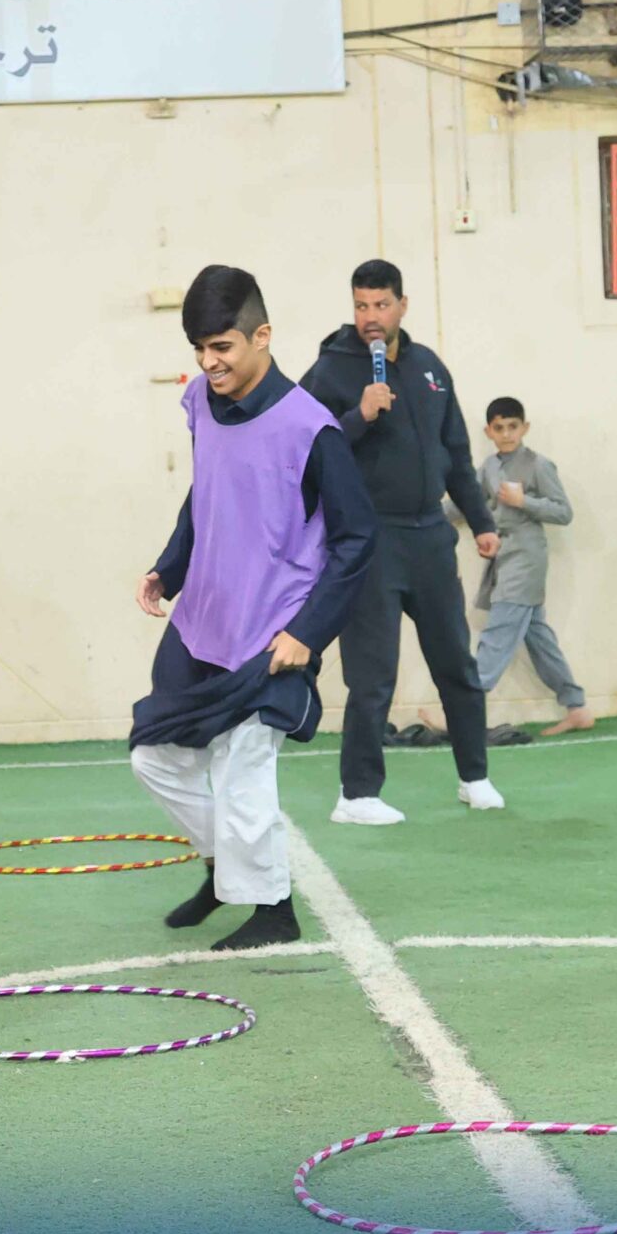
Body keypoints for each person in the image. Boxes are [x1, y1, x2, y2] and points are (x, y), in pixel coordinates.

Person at [132, 266, 377, 948]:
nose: (208, 363)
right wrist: (167, 569)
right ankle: (225, 871)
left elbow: (358, 538)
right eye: (199, 349)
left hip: (273, 632)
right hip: (202, 622)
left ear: (262, 335)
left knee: (243, 772)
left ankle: (273, 911)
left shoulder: (311, 428)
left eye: (222, 347)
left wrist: (308, 631)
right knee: (154, 757)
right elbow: (206, 491)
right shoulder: (199, 402)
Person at [300, 259, 506, 823]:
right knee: (372, 676)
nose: (371, 316)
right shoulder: (329, 371)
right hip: (369, 540)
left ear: (402, 305)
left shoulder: (429, 367)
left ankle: (475, 777)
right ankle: (357, 795)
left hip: (431, 536)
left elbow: (456, 453)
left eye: (381, 305)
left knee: (457, 666)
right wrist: (358, 416)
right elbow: (301, 452)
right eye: (361, 306)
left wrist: (482, 523)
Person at [468, 396, 592, 736]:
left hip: (526, 558)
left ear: (525, 428)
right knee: (538, 638)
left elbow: (563, 511)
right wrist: (423, 515)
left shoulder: (538, 465)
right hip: (501, 557)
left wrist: (524, 501)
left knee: (498, 632)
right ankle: (577, 707)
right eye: (499, 428)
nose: (507, 434)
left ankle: (465, 709)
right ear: (489, 431)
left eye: (513, 426)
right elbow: (468, 502)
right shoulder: (488, 467)